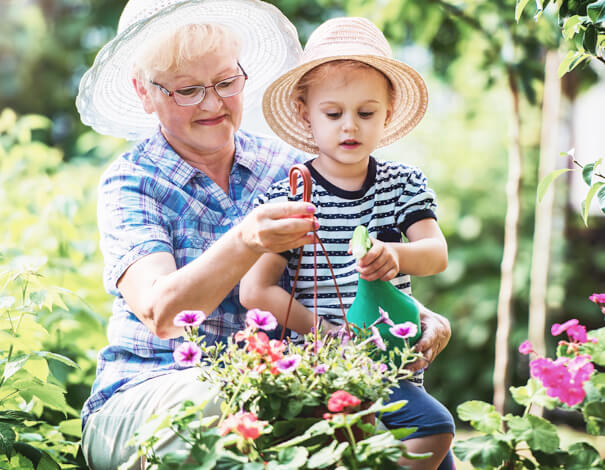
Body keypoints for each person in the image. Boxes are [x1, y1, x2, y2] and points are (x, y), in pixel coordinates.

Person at [76, 0, 453, 468]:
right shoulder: (133, 181)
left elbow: (346, 269)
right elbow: (164, 314)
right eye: (189, 89)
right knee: (222, 406)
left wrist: (420, 317)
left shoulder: (290, 168)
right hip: (152, 394)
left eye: (226, 82)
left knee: (404, 431)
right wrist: (246, 239)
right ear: (144, 92)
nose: (213, 103)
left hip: (276, 391)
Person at [240, 17, 454, 470]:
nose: (349, 127)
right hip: (326, 370)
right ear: (305, 114)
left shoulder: (402, 185)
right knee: (434, 429)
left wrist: (396, 255)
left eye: (366, 112)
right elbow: (255, 291)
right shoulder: (290, 197)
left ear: (389, 113)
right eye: (333, 114)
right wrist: (325, 332)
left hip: (395, 362)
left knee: (435, 453)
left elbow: (436, 254)